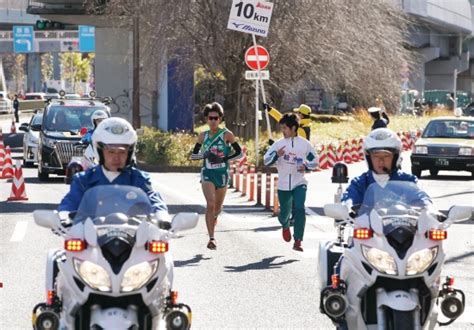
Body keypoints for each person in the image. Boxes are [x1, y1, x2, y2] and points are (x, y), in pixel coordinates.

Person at [58, 117, 168, 218]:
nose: (116, 157)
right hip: (92, 236)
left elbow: (154, 200)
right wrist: (63, 216)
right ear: (100, 151)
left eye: (122, 152)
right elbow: (70, 203)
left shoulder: (139, 179)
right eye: (111, 152)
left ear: (129, 153)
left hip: (132, 236)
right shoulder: (83, 180)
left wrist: (162, 216)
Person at [190, 102, 242, 250]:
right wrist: (204, 155)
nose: (213, 121)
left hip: (222, 174)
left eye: (216, 118)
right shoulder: (202, 136)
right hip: (207, 173)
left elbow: (239, 153)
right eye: (210, 118)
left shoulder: (227, 134)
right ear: (206, 119)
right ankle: (212, 238)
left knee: (217, 208)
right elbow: (193, 156)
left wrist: (223, 159)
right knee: (210, 204)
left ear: (220, 119)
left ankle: (214, 217)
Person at [264, 113, 319, 252]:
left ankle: (298, 240)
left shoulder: (304, 145)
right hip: (283, 185)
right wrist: (277, 155)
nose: (282, 131)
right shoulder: (279, 144)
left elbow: (315, 161)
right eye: (281, 128)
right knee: (284, 213)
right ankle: (285, 225)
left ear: (293, 128)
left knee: (300, 208)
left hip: (299, 182)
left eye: (285, 128)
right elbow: (266, 160)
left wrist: (306, 166)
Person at [341, 128, 429, 209]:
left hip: (403, 226)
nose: (381, 161)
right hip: (366, 226)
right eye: (376, 156)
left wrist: (429, 209)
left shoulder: (409, 181)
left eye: (386, 156)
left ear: (395, 158)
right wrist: (346, 207)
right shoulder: (360, 183)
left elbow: (422, 198)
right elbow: (349, 199)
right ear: (368, 158)